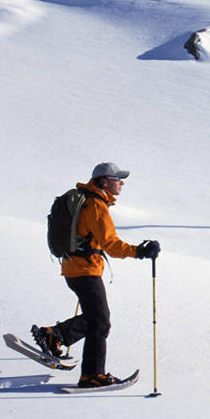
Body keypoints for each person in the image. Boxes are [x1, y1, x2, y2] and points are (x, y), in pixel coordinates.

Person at [32, 162, 160, 388]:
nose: (121, 183)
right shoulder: (95, 204)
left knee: (95, 319)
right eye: (117, 179)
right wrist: (140, 251)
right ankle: (89, 372)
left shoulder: (88, 201)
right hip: (85, 270)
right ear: (103, 181)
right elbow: (110, 244)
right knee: (100, 322)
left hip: (74, 268)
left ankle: (55, 337)